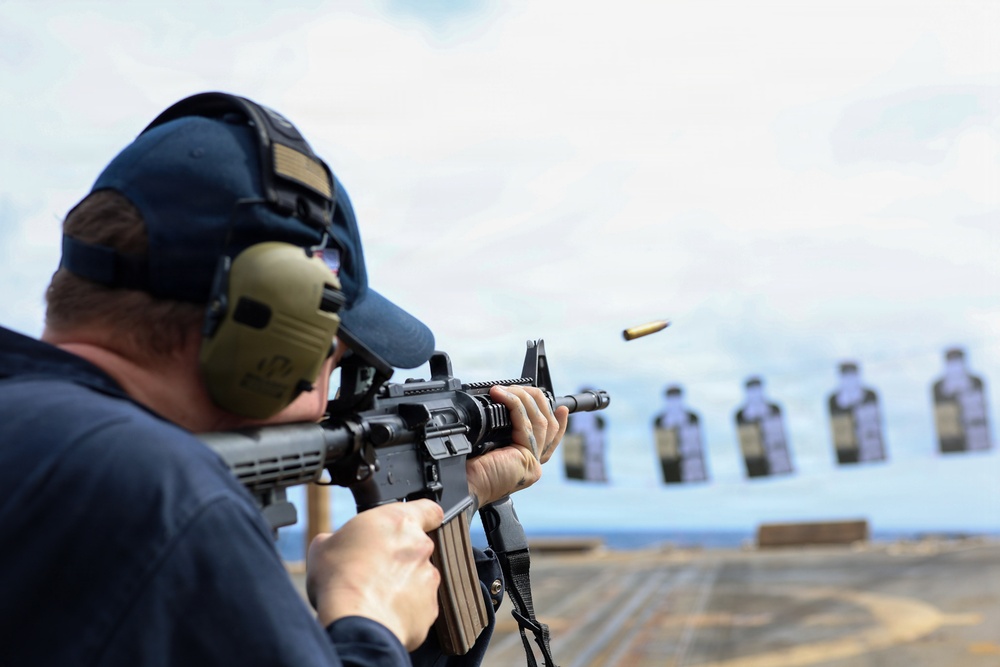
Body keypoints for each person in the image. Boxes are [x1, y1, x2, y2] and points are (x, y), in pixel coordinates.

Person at [0, 92, 568, 666]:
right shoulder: (167, 499)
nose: (329, 402)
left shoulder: (47, 456)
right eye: (335, 360)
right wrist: (369, 619)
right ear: (270, 340)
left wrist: (460, 493)